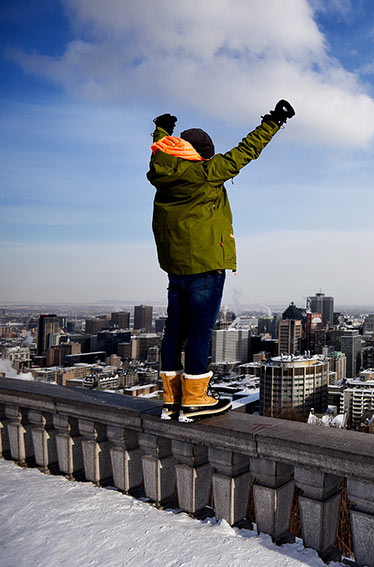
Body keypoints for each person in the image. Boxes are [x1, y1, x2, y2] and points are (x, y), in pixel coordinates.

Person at [147, 100, 295, 421]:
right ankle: (196, 398)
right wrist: (273, 121)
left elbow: (160, 151)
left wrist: (161, 129)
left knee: (174, 331)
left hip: (175, 266)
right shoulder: (205, 172)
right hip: (206, 265)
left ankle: (172, 399)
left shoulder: (163, 172)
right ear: (201, 154)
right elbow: (246, 151)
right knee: (200, 332)